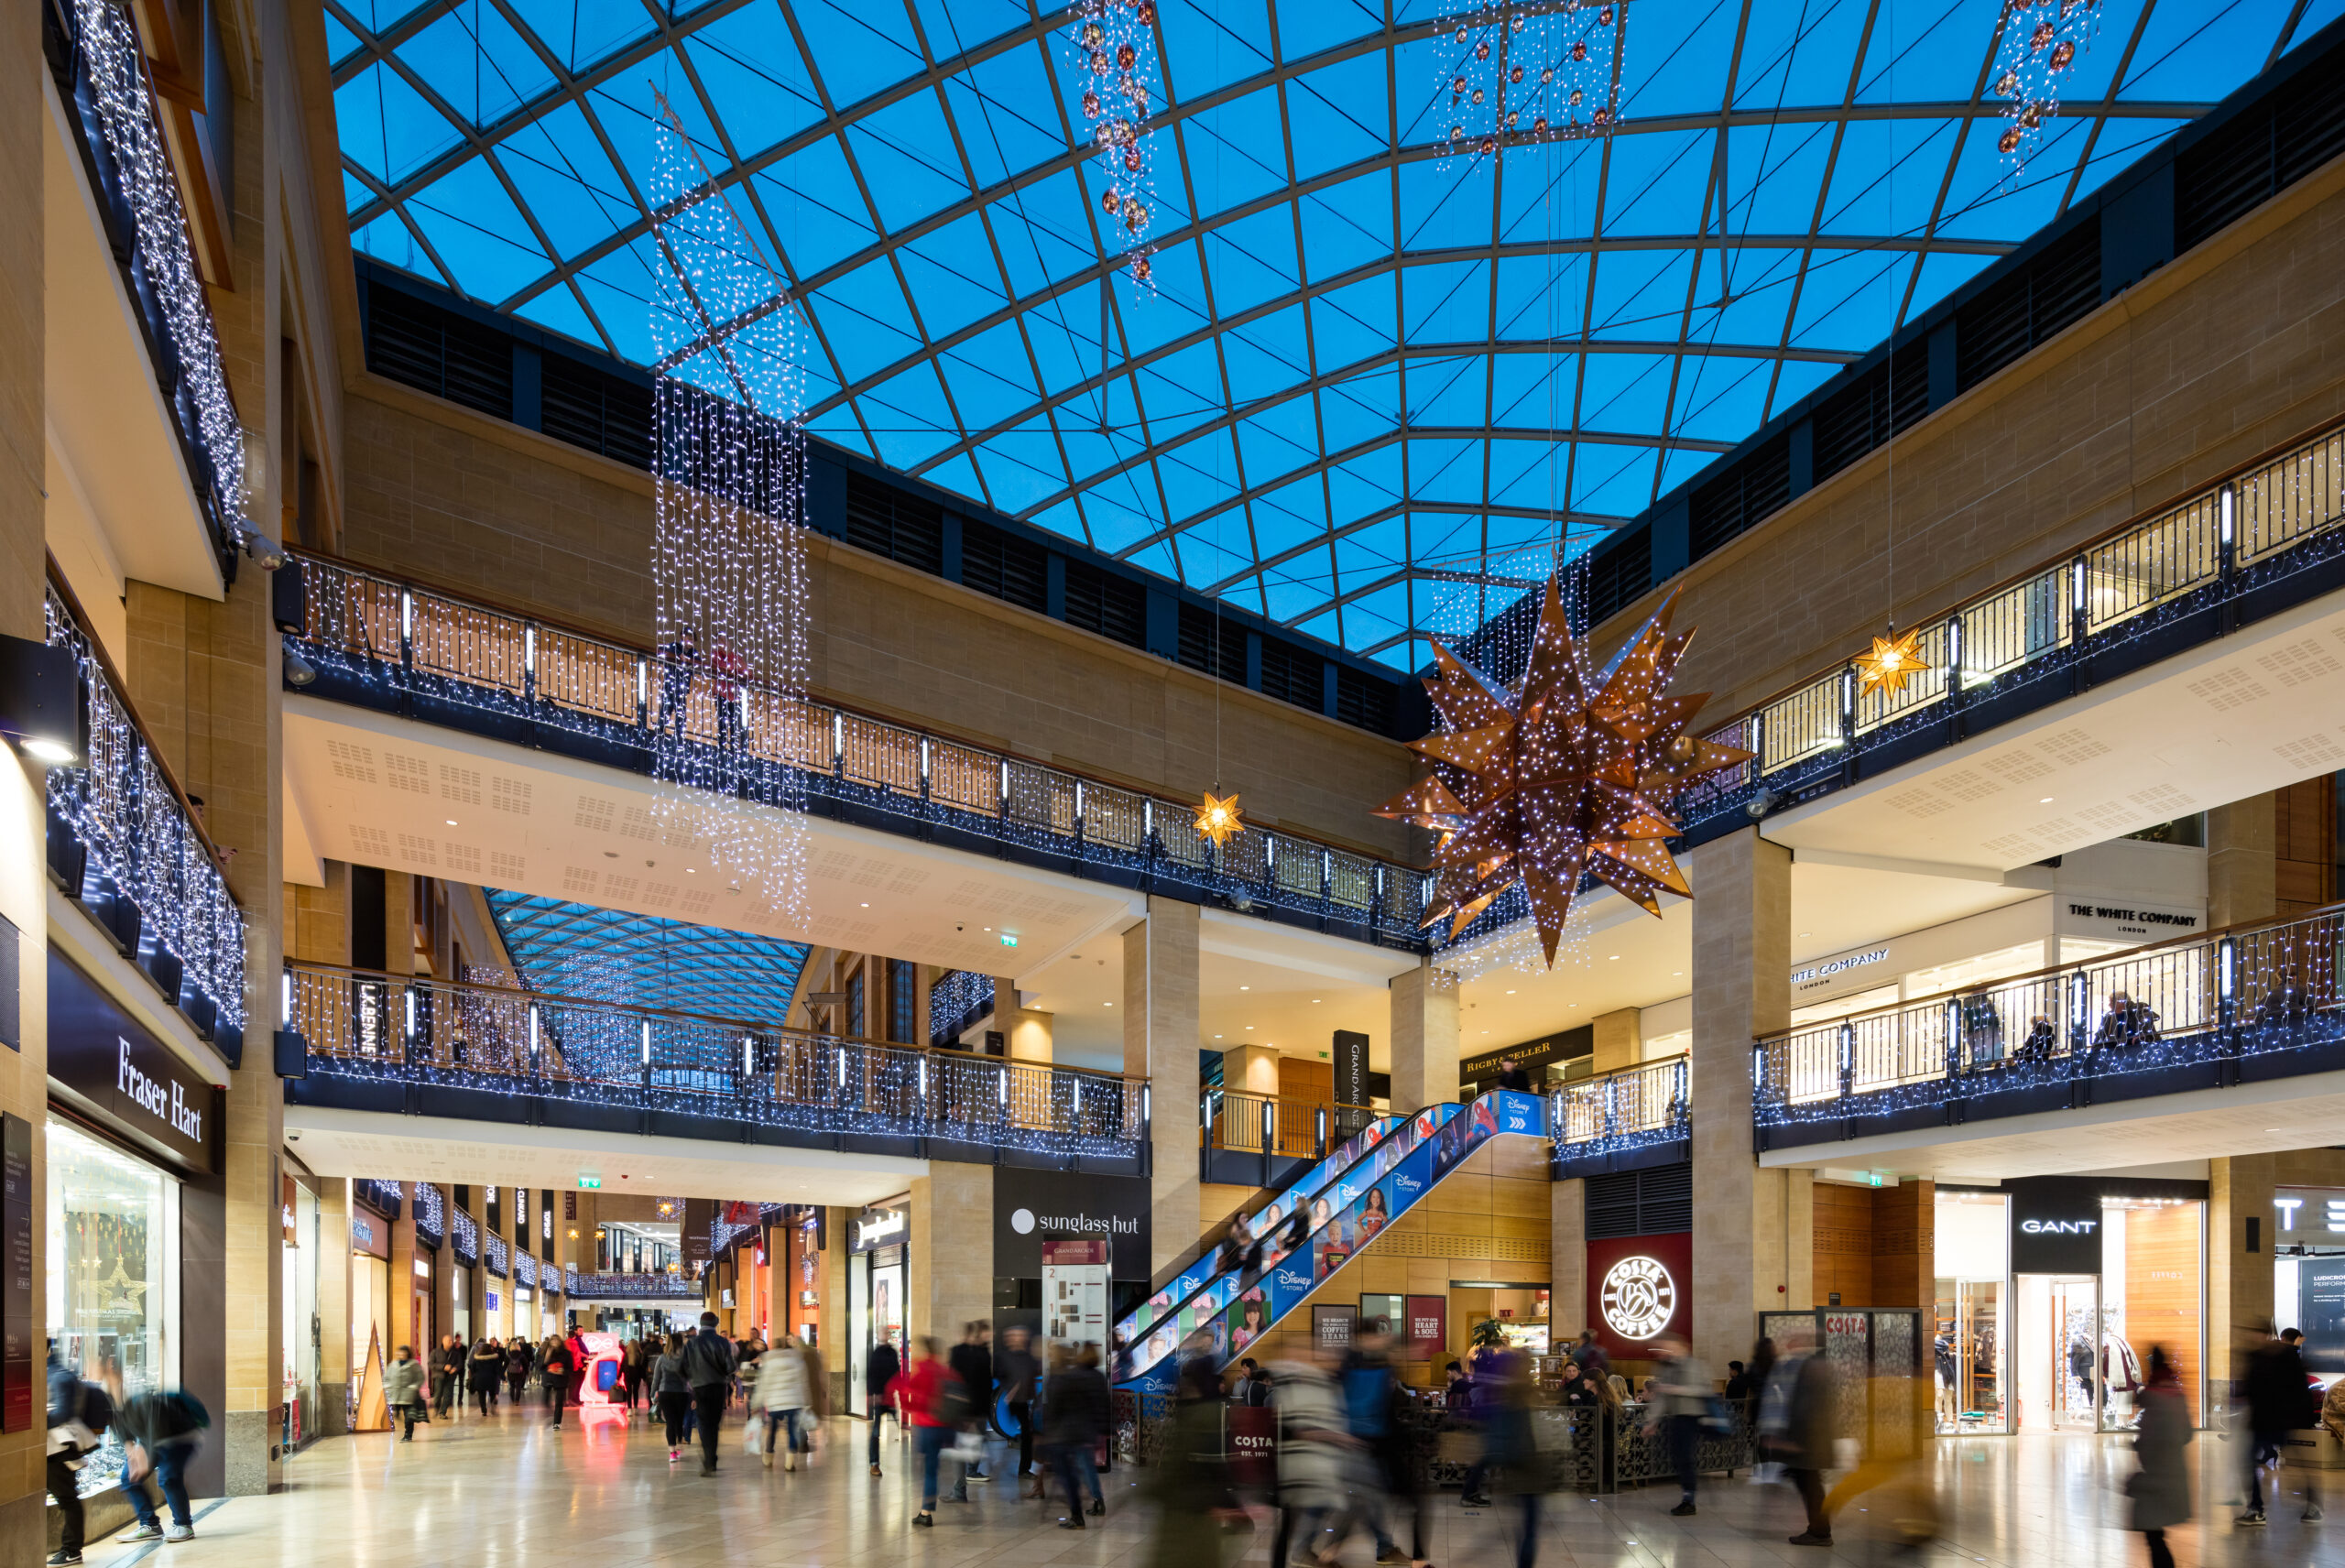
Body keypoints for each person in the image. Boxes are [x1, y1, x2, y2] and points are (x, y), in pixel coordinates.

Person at [2238, 1323, 2315, 1524]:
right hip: (2260, 1421)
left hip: (2280, 1420)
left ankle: (2313, 1503)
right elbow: (2250, 1388)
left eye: (2255, 1335)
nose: (2252, 1339)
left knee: (2296, 1465)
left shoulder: (2285, 1358)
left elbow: (2298, 1388)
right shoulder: (2256, 1357)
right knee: (2247, 1462)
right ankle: (2255, 1508)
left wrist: (2298, 1417)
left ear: (2266, 1336)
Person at [116, 1387, 207, 1544]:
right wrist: (132, 1454)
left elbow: (156, 1429)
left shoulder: (144, 1403)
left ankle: (183, 1525)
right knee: (128, 1478)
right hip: (152, 1440)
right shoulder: (114, 1406)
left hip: (180, 1438)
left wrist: (147, 1459)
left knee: (168, 1478)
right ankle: (150, 1525)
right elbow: (123, 1432)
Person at [47, 1345, 110, 1566]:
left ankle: (72, 1550)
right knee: (66, 1498)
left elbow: (63, 1413)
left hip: (59, 1448)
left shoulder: (57, 1376)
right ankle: (70, 1549)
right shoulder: (52, 1374)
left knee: (67, 1498)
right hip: (52, 1448)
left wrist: (35, 1419)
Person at [2130, 1346, 2193, 1568]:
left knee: (2153, 1533)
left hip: (2155, 1475)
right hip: (2175, 1471)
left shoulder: (2153, 1397)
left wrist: (2138, 1446)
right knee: (2156, 1532)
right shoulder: (2176, 1393)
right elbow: (2187, 1434)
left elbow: (2147, 1439)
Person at [1041, 1344, 1111, 1526]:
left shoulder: (1069, 1377)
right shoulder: (1098, 1376)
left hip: (1069, 1433)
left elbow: (1056, 1408)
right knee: (1085, 1466)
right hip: (1089, 1430)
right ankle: (1095, 1501)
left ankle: (1087, 1506)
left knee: (1078, 1469)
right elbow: (1103, 1403)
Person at [889, 1336, 954, 1528]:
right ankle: (927, 1508)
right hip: (943, 1426)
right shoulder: (944, 1371)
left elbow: (911, 1403)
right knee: (932, 1468)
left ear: (925, 1351)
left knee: (928, 1470)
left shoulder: (921, 1373)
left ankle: (926, 1512)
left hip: (926, 1426)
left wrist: (902, 1399)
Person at [1777, 1348, 1839, 1546]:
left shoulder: (1814, 1386)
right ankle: (1819, 1530)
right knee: (1811, 1487)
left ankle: (1819, 1532)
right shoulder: (1822, 1384)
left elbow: (1805, 1414)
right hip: (1812, 1444)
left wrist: (1796, 1441)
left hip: (1810, 1445)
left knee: (1812, 1489)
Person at [1646, 1334, 1711, 1518]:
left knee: (1685, 1458)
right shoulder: (1667, 1368)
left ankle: (1689, 1499)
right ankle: (1687, 1494)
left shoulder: (1694, 1365)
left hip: (1690, 1417)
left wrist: (1676, 1389)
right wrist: (1653, 1420)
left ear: (1680, 1346)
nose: (1664, 1352)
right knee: (1677, 1457)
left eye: (1667, 1347)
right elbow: (1661, 1398)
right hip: (1675, 1417)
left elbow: (1703, 1389)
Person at [753, 1331, 823, 1470]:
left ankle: (769, 1455)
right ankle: (790, 1461)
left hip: (775, 1403)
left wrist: (755, 1403)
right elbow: (804, 1382)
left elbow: (763, 1384)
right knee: (792, 1431)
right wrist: (807, 1402)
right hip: (794, 1402)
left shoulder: (770, 1362)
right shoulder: (797, 1361)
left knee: (772, 1430)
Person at [682, 1310, 738, 1474]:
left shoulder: (692, 1343)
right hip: (718, 1387)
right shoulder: (723, 1342)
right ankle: (711, 1457)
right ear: (715, 1324)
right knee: (714, 1424)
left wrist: (692, 1383)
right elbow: (730, 1367)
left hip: (699, 1388)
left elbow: (684, 1367)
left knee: (704, 1423)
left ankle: (709, 1458)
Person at [946, 1319, 994, 1497]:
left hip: (969, 1410)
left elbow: (961, 1383)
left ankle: (960, 1490)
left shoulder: (969, 1353)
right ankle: (961, 1487)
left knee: (962, 1450)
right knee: (966, 1448)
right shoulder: (977, 1354)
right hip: (972, 1410)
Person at [996, 1324, 1041, 1490]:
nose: (1019, 1338)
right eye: (1015, 1335)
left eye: (1021, 1335)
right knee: (1025, 1434)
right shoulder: (1004, 1357)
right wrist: (1010, 1388)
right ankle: (1024, 1467)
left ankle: (1024, 1469)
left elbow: (1032, 1376)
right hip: (1015, 1402)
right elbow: (1001, 1375)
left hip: (1025, 1401)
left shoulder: (1029, 1357)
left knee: (1028, 1435)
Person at [867, 1327, 902, 1476]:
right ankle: (874, 1463)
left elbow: (896, 1372)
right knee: (876, 1432)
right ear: (879, 1335)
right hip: (880, 1397)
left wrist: (898, 1390)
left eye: (888, 1332)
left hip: (890, 1396)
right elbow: (871, 1374)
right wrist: (872, 1394)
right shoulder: (875, 1353)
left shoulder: (892, 1352)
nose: (887, 1335)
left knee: (896, 1425)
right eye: (884, 1332)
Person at [654, 1331, 693, 1462]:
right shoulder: (685, 1359)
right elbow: (690, 1378)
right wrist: (694, 1395)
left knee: (670, 1422)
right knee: (679, 1420)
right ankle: (679, 1443)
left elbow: (656, 1378)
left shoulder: (662, 1358)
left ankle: (672, 1452)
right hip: (681, 1393)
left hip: (665, 1392)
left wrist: (652, 1394)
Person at [386, 1344, 428, 1442]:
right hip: (397, 1396)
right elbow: (386, 1377)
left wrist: (414, 1386)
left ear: (407, 1353)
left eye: (403, 1352)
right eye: (400, 1352)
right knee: (400, 1413)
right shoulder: (393, 1365)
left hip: (409, 1396)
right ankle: (401, 1419)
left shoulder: (413, 1365)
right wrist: (387, 1385)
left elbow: (420, 1378)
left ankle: (408, 1435)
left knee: (409, 1416)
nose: (401, 1354)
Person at [538, 1334, 573, 1429]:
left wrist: (563, 1371)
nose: (554, 1342)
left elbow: (570, 1368)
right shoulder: (545, 1352)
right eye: (552, 1340)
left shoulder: (566, 1353)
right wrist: (547, 1357)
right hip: (548, 1379)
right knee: (545, 1400)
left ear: (560, 1342)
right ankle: (550, 1415)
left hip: (560, 1380)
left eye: (556, 1340)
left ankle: (557, 1423)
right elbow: (540, 1367)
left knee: (559, 1402)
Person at [468, 1336, 503, 1415]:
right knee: (492, 1393)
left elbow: (472, 1368)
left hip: (480, 1379)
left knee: (481, 1395)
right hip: (491, 1379)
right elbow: (498, 1369)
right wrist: (502, 1377)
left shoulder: (477, 1358)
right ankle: (492, 1405)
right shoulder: (494, 1358)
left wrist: (475, 1375)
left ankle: (484, 1410)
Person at [434, 1334, 467, 1420]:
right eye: (449, 1341)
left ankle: (442, 1412)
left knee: (448, 1395)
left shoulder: (456, 1352)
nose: (451, 1342)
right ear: (443, 1341)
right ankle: (437, 1406)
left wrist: (455, 1368)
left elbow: (460, 1363)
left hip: (451, 1377)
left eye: (451, 1340)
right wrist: (443, 1367)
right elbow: (431, 1364)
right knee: (438, 1395)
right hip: (439, 1376)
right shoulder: (436, 1352)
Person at [505, 1338, 533, 1408]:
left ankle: (512, 1400)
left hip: (510, 1373)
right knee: (518, 1387)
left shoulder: (508, 1356)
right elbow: (525, 1365)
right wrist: (527, 1373)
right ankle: (517, 1401)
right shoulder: (522, 1355)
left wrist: (503, 1373)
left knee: (512, 1387)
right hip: (519, 1373)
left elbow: (505, 1365)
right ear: (518, 1347)